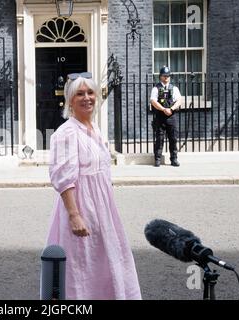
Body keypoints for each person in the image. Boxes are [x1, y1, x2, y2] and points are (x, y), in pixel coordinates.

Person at [45, 72, 142, 300]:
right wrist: (74, 215)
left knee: (105, 260)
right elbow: (64, 178)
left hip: (103, 210)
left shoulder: (95, 129)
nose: (86, 97)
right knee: (82, 265)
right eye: (80, 93)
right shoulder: (66, 133)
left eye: (90, 92)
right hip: (81, 208)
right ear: (70, 100)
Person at [149, 66, 182, 167]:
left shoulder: (174, 88)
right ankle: (157, 159)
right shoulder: (156, 88)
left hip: (171, 117)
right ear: (160, 76)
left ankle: (174, 159)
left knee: (173, 139)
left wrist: (171, 109)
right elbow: (153, 101)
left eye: (168, 76)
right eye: (164, 76)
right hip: (160, 116)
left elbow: (179, 100)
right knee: (159, 138)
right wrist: (163, 109)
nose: (166, 78)